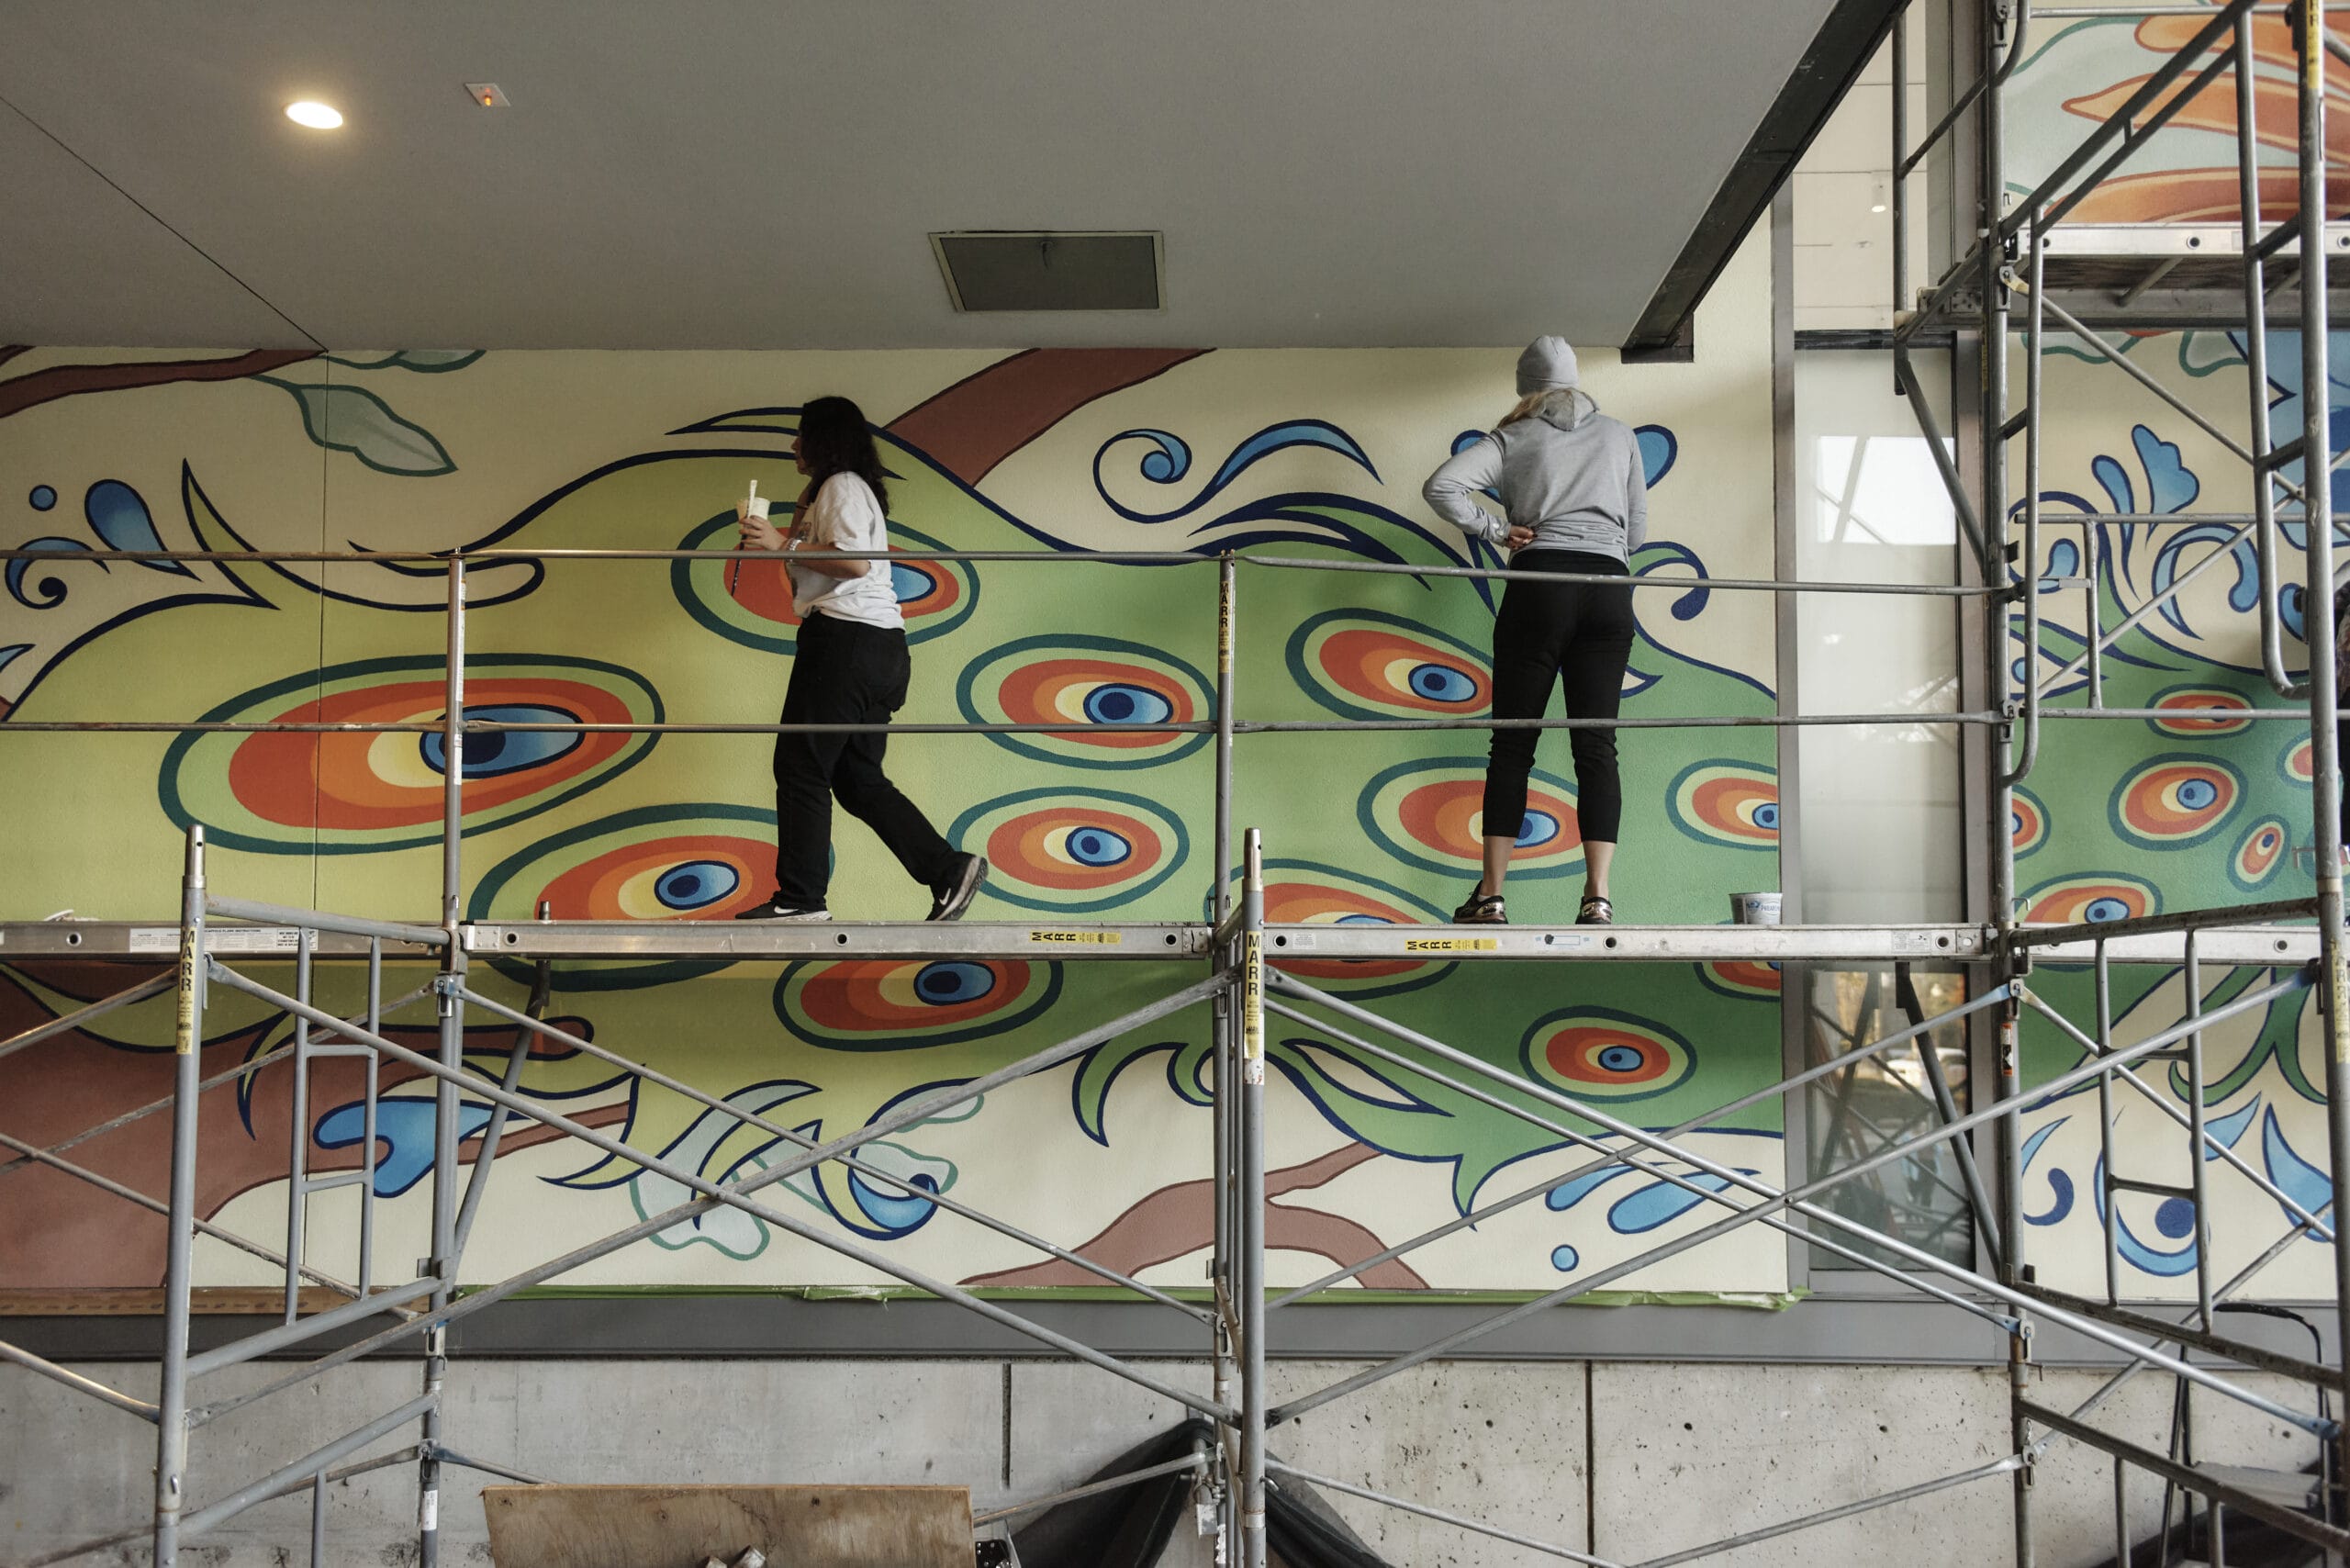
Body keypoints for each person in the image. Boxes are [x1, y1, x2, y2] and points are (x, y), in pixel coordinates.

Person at [732, 396, 987, 922]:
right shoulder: (841, 488)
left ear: (824, 439)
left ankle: (801, 900)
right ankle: (947, 869)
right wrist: (794, 521)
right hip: (880, 649)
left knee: (800, 766)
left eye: (802, 434)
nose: (794, 444)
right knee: (856, 780)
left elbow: (854, 561)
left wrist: (783, 543)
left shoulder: (842, 485)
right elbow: (823, 554)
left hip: (844, 643)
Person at [1421, 336, 1646, 926]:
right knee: (1596, 745)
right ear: (1575, 381)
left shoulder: (1512, 438)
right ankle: (1597, 897)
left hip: (1541, 586)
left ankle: (1490, 895)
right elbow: (1639, 530)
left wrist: (1497, 530)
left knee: (1514, 744)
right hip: (1609, 589)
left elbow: (1440, 487)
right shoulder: (1620, 436)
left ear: (1527, 389)